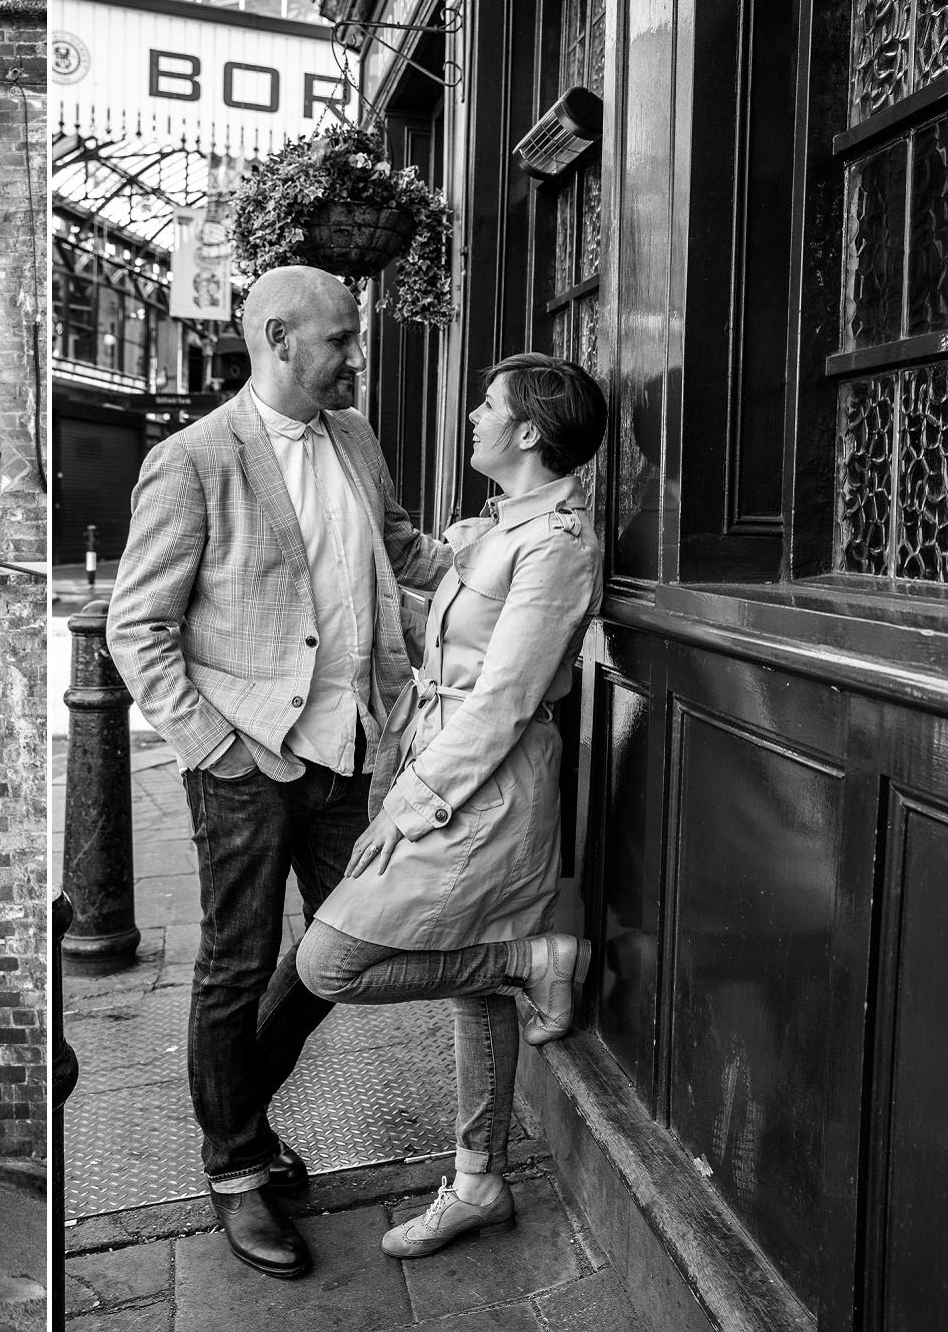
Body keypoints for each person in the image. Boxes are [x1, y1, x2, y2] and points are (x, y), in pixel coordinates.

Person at [107, 264, 451, 1280]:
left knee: (345, 945)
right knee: (236, 960)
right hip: (245, 758)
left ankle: (237, 1117)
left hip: (347, 746)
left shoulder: (353, 436)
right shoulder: (192, 459)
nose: (354, 355)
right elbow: (137, 627)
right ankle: (233, 1168)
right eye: (339, 338)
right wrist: (215, 747)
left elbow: (396, 547)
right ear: (276, 337)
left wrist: (506, 553)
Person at [298, 351, 607, 1259]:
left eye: (487, 404)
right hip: (441, 765)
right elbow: (449, 620)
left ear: (526, 433)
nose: (471, 414)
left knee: (331, 961)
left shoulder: (556, 545)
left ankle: (530, 951)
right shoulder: (507, 528)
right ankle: (479, 1181)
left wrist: (405, 805)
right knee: (468, 985)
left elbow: (506, 700)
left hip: (486, 789)